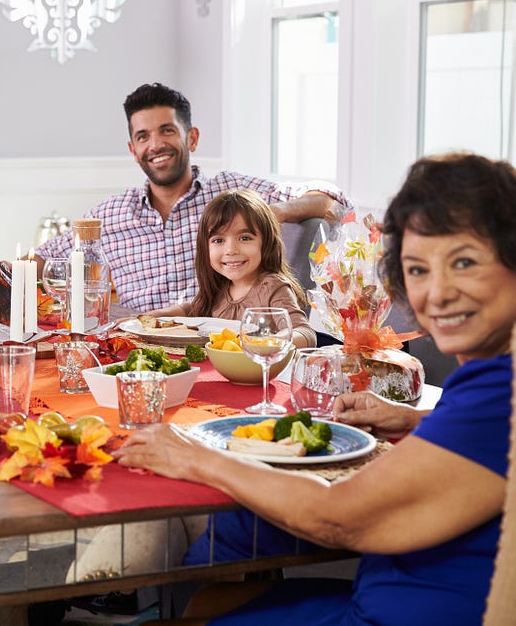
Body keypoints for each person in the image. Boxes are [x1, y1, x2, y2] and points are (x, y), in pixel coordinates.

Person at [115, 152, 515, 625]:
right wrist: (414, 419)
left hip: (399, 611)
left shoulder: (499, 389)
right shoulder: (490, 384)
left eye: (464, 262)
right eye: (418, 269)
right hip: (388, 585)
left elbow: (337, 517)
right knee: (209, 597)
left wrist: (195, 457)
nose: (437, 292)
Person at [36, 83, 348, 311]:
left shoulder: (230, 192)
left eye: (167, 131)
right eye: (143, 137)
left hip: (220, 348)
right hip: (140, 353)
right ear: (133, 150)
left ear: (192, 138)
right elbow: (43, 258)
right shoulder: (111, 213)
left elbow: (332, 200)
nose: (156, 145)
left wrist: (275, 212)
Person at [145, 189, 315, 347]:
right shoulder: (220, 286)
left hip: (260, 374)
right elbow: (190, 309)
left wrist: (262, 344)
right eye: (218, 240)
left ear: (266, 243)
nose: (231, 250)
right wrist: (154, 316)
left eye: (244, 238)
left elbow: (305, 333)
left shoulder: (272, 287)